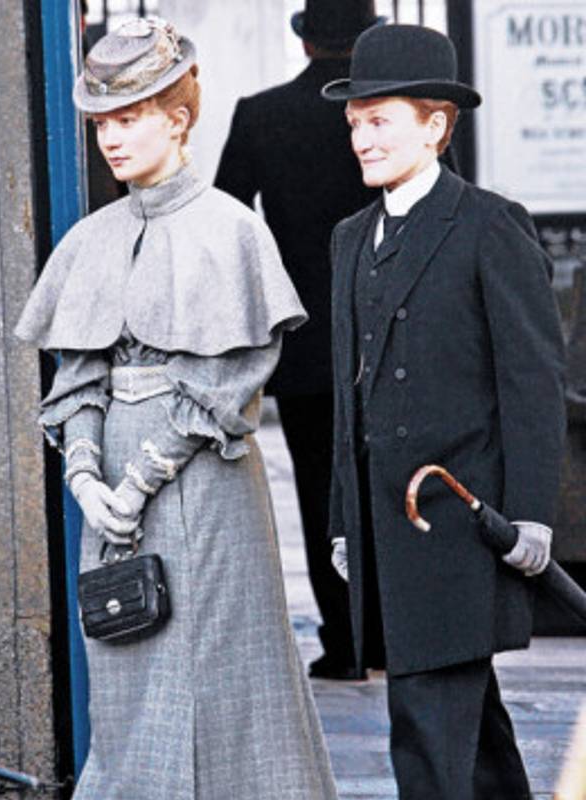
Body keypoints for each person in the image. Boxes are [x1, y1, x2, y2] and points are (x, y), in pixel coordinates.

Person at [16, 17, 352, 800]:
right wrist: (85, 477)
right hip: (109, 496)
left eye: (131, 116)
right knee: (131, 681)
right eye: (103, 121)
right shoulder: (90, 240)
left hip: (205, 484)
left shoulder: (231, 229)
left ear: (178, 117)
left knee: (231, 677)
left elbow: (230, 377)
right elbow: (75, 376)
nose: (112, 136)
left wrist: (140, 478)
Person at [322, 23, 566, 800]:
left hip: (462, 523)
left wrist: (531, 514)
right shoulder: (350, 237)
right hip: (386, 525)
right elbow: (349, 397)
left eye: (381, 120)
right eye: (355, 123)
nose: (363, 138)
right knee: (467, 718)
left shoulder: (489, 225)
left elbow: (532, 380)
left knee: (424, 715)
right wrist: (343, 522)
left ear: (436, 126)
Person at [215, 0, 383, 680]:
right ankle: (392, 637)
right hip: (388, 332)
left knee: (320, 492)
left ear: (306, 41)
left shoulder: (261, 114)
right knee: (393, 486)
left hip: (306, 337)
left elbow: (227, 219)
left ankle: (345, 643)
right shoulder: (389, 118)